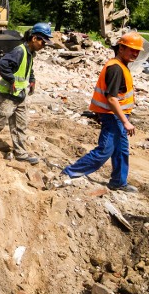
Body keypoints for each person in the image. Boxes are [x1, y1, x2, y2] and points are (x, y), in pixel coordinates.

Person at [57, 31, 144, 192]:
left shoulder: (121, 66)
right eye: (132, 50)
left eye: (137, 51)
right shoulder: (116, 68)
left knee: (121, 150)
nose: (135, 53)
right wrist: (125, 121)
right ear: (121, 48)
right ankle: (70, 172)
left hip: (117, 115)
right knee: (104, 150)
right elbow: (111, 99)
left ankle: (118, 181)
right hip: (113, 117)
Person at [0, 22, 53, 164]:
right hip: (8, 95)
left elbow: (28, 69)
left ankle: (21, 153)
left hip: (20, 95)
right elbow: (2, 64)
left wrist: (32, 80)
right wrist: (11, 79)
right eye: (43, 41)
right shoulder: (19, 51)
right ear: (34, 38)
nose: (44, 45)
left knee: (20, 125)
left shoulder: (30, 53)